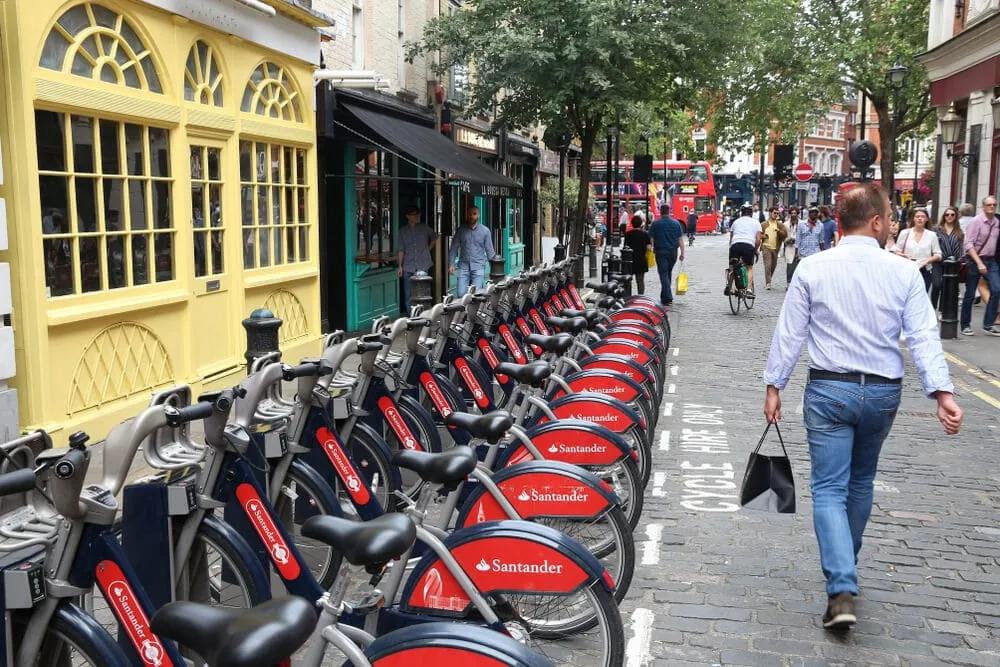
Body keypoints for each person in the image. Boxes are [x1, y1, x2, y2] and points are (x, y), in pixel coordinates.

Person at [763, 182, 962, 632]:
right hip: (882, 393)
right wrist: (942, 393)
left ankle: (841, 586)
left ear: (840, 222)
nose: (892, 224)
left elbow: (789, 333)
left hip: (830, 390)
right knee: (861, 481)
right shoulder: (905, 273)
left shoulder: (812, 268)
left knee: (830, 488)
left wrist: (775, 385)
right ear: (875, 222)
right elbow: (924, 337)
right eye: (890, 218)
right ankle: (844, 572)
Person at [960, 196, 1000, 336]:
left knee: (997, 289)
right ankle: (965, 325)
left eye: (994, 205)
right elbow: (968, 243)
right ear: (983, 207)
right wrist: (979, 263)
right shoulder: (976, 221)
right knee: (970, 294)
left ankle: (988, 324)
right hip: (975, 260)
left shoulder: (997, 222)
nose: (992, 207)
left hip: (991, 260)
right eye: (989, 205)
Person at [397, 205, 438, 311]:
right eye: (414, 215)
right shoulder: (402, 231)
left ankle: (423, 315)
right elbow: (401, 249)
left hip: (423, 263)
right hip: (408, 265)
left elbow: (434, 237)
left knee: (423, 293)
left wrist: (427, 249)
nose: (417, 217)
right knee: (408, 294)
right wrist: (400, 266)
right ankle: (410, 317)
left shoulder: (424, 227)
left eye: (418, 214)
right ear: (408, 216)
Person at [448, 204, 495, 296]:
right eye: (470, 214)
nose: (471, 216)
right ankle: (464, 311)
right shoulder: (461, 230)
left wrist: (493, 270)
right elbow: (454, 247)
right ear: (466, 215)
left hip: (478, 266)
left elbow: (490, 251)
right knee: (461, 294)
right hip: (463, 266)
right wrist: (451, 264)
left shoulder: (485, 231)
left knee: (476, 295)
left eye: (474, 214)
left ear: (478, 215)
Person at [895, 207, 942, 295]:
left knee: (922, 295)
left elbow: (938, 254)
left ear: (927, 219)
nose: (920, 218)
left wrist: (928, 260)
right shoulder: (905, 233)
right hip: (908, 268)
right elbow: (896, 251)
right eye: (917, 216)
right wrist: (904, 256)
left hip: (925, 269)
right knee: (907, 294)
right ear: (913, 219)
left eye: (922, 216)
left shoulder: (932, 235)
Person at [648, 203, 686, 306]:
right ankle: (664, 297)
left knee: (663, 274)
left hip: (660, 252)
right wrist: (682, 253)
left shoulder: (655, 224)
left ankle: (668, 297)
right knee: (668, 273)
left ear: (660, 211)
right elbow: (680, 240)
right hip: (673, 252)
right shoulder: (676, 223)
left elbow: (651, 239)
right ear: (669, 211)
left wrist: (651, 249)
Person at [932, 207, 964, 310]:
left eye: (952, 215)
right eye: (947, 214)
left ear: (956, 216)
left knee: (946, 288)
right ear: (944, 216)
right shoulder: (937, 229)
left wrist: (961, 260)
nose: (949, 216)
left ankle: (942, 309)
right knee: (937, 285)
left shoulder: (959, 231)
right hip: (939, 261)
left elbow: (961, 247)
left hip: (953, 263)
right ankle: (932, 308)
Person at [728, 204, 762, 294]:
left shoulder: (736, 222)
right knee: (749, 268)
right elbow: (758, 240)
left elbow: (731, 238)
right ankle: (749, 289)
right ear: (751, 213)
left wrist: (731, 248)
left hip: (735, 245)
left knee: (733, 266)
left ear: (741, 213)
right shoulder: (756, 223)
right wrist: (755, 250)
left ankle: (730, 285)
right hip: (748, 245)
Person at [624, 215, 652, 295]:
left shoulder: (628, 234)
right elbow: (649, 247)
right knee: (640, 280)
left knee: (628, 279)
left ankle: (628, 295)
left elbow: (625, 247)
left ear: (632, 224)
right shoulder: (645, 234)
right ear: (641, 224)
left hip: (630, 260)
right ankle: (640, 296)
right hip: (641, 259)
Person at [760, 207, 786, 290]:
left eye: (778, 213)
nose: (776, 215)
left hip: (776, 248)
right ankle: (768, 283)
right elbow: (759, 235)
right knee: (768, 265)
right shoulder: (764, 224)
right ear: (770, 213)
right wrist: (763, 236)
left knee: (773, 266)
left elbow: (785, 235)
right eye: (775, 213)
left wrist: (778, 231)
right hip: (766, 247)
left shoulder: (780, 225)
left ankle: (769, 279)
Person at [783, 206, 801, 284]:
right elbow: (783, 236)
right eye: (792, 213)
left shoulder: (802, 224)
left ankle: (797, 282)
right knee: (790, 265)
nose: (793, 214)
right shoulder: (785, 224)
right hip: (789, 247)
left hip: (799, 247)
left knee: (798, 265)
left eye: (795, 213)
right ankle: (789, 282)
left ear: (797, 214)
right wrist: (788, 240)